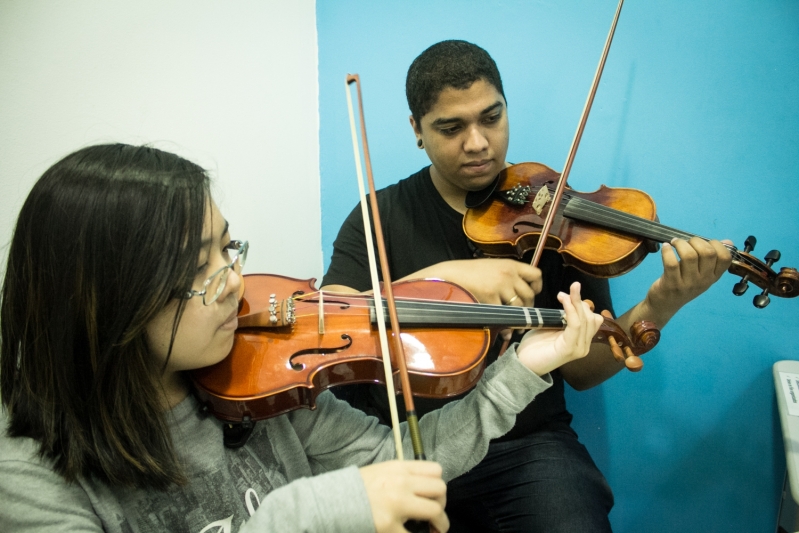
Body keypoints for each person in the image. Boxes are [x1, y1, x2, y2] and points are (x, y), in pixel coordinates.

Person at [0, 143, 605, 533]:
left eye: (228, 249)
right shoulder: (28, 478)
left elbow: (404, 462)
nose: (237, 286)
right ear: (104, 306)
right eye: (196, 271)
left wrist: (523, 367)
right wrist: (306, 514)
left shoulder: (252, 381)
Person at [321, 40, 733, 532]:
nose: (477, 143)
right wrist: (449, 276)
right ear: (417, 130)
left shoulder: (556, 215)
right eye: (451, 128)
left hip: (526, 446)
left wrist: (660, 304)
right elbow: (328, 320)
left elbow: (582, 369)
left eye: (491, 118)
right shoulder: (378, 216)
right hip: (409, 446)